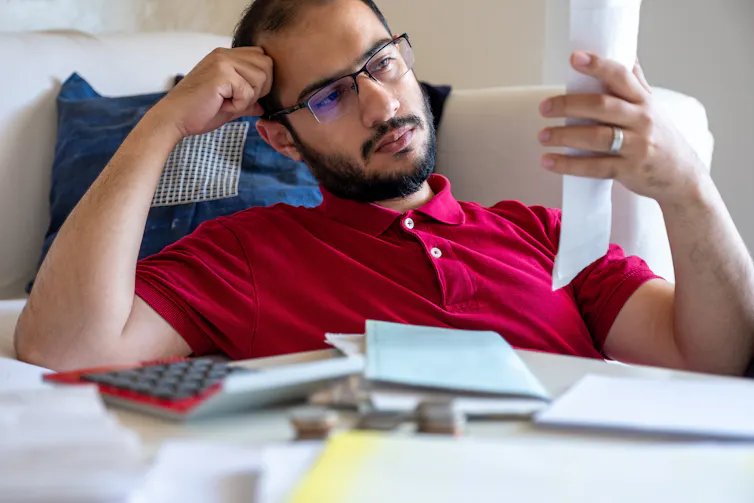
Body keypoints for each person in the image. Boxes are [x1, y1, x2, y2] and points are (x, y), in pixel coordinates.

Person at [14, 0, 754, 376]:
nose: (380, 104)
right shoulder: (245, 256)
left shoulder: (542, 234)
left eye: (382, 64)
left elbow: (713, 354)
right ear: (279, 136)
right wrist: (165, 123)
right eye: (330, 97)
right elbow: (63, 347)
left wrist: (686, 185)